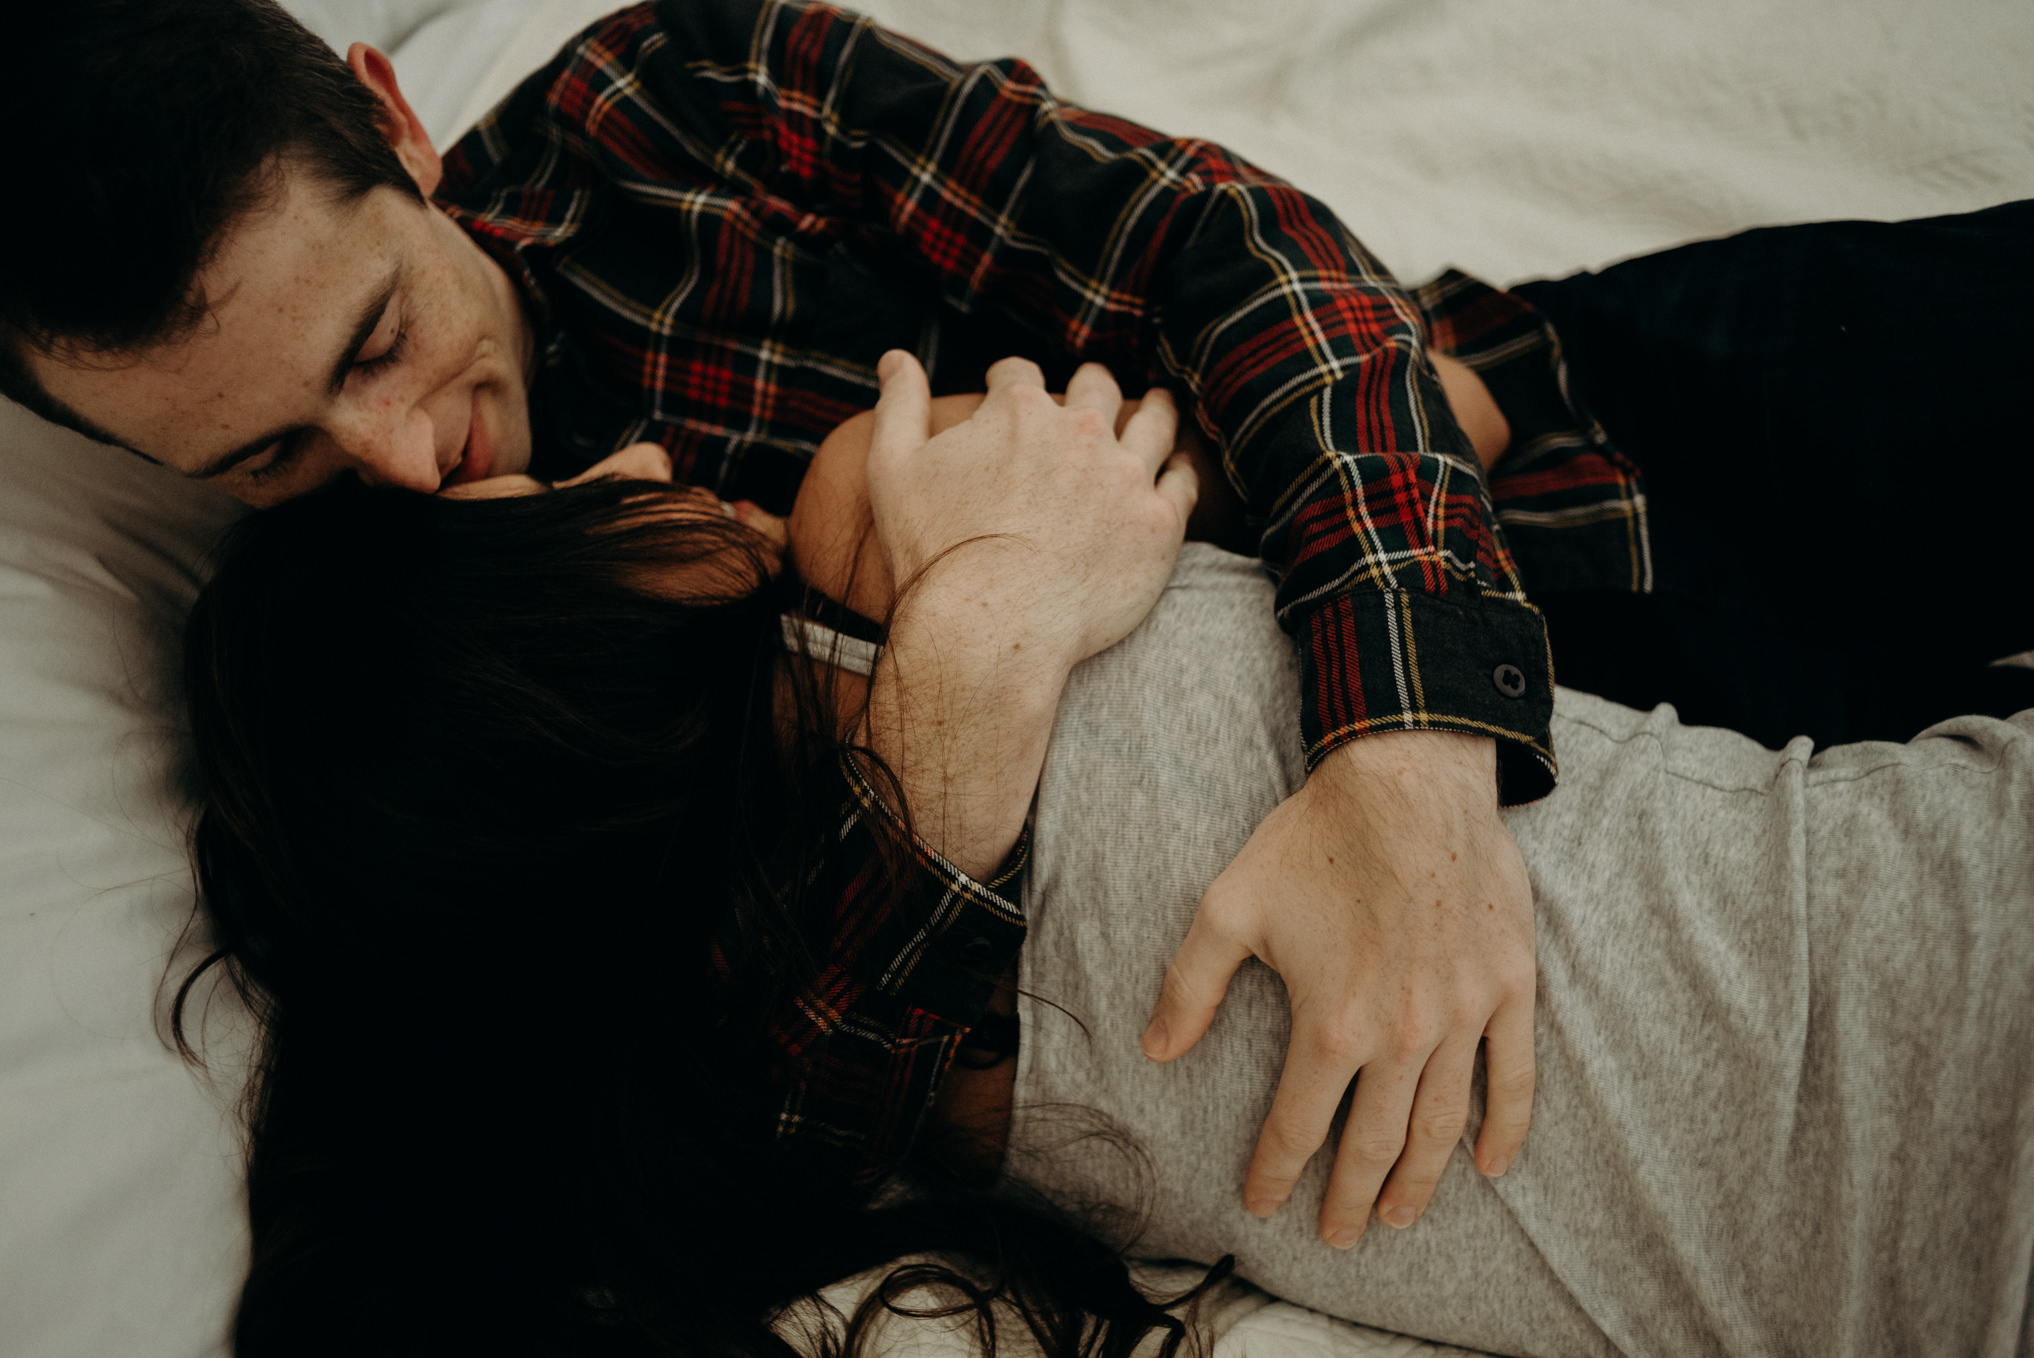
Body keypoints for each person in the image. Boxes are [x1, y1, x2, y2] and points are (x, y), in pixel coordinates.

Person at [2, 0, 1559, 1252]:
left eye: (379, 337)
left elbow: (1223, 251)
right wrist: (965, 669)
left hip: (1516, 486)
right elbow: (721, 1124)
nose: (398, 464)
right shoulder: (362, 678)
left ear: (398, 126)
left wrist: (1407, 746)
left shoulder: (673, 108)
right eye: (265, 455)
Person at [178, 345, 2034, 1355]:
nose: (637, 458)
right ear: (532, 654)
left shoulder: (802, 1108)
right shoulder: (872, 536)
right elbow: (1143, 406)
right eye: (563, 507)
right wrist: (974, 621)